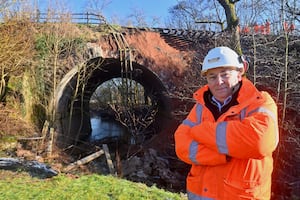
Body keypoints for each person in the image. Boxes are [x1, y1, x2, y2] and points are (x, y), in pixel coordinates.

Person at [174, 46, 279, 200]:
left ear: (239, 72)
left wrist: (201, 131)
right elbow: (181, 145)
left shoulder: (260, 101)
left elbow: (260, 142)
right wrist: (225, 154)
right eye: (212, 77)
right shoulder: (200, 107)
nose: (219, 82)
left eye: (225, 74)